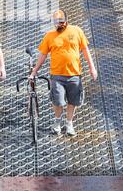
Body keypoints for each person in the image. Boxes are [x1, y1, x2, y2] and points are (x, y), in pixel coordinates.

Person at [29, 9, 97, 137]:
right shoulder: (49, 36)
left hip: (74, 75)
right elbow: (43, 54)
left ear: (66, 20)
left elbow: (85, 50)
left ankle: (69, 124)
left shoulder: (77, 31)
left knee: (73, 101)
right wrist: (34, 71)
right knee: (58, 101)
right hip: (57, 76)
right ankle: (57, 123)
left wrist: (92, 68)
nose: (59, 25)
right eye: (57, 23)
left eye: (61, 22)